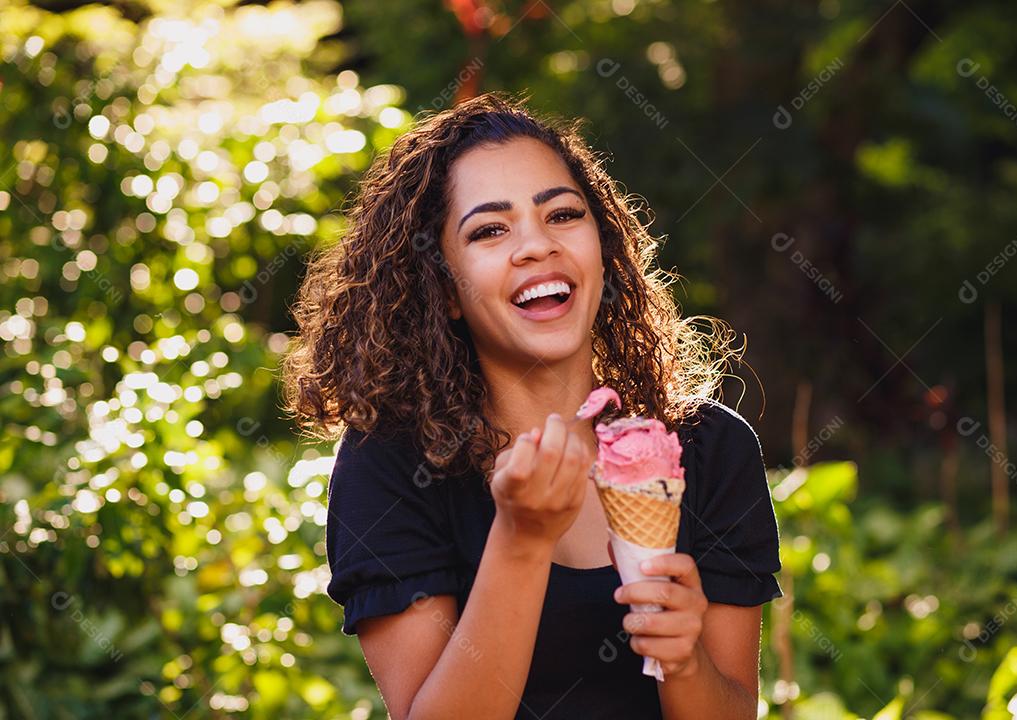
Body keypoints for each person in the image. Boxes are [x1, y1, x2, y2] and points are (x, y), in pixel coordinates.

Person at [282, 92, 781, 720]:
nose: (535, 246)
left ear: (604, 250)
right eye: (490, 229)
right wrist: (520, 540)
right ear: (446, 290)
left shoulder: (709, 450)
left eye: (563, 215)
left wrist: (684, 662)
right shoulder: (390, 465)